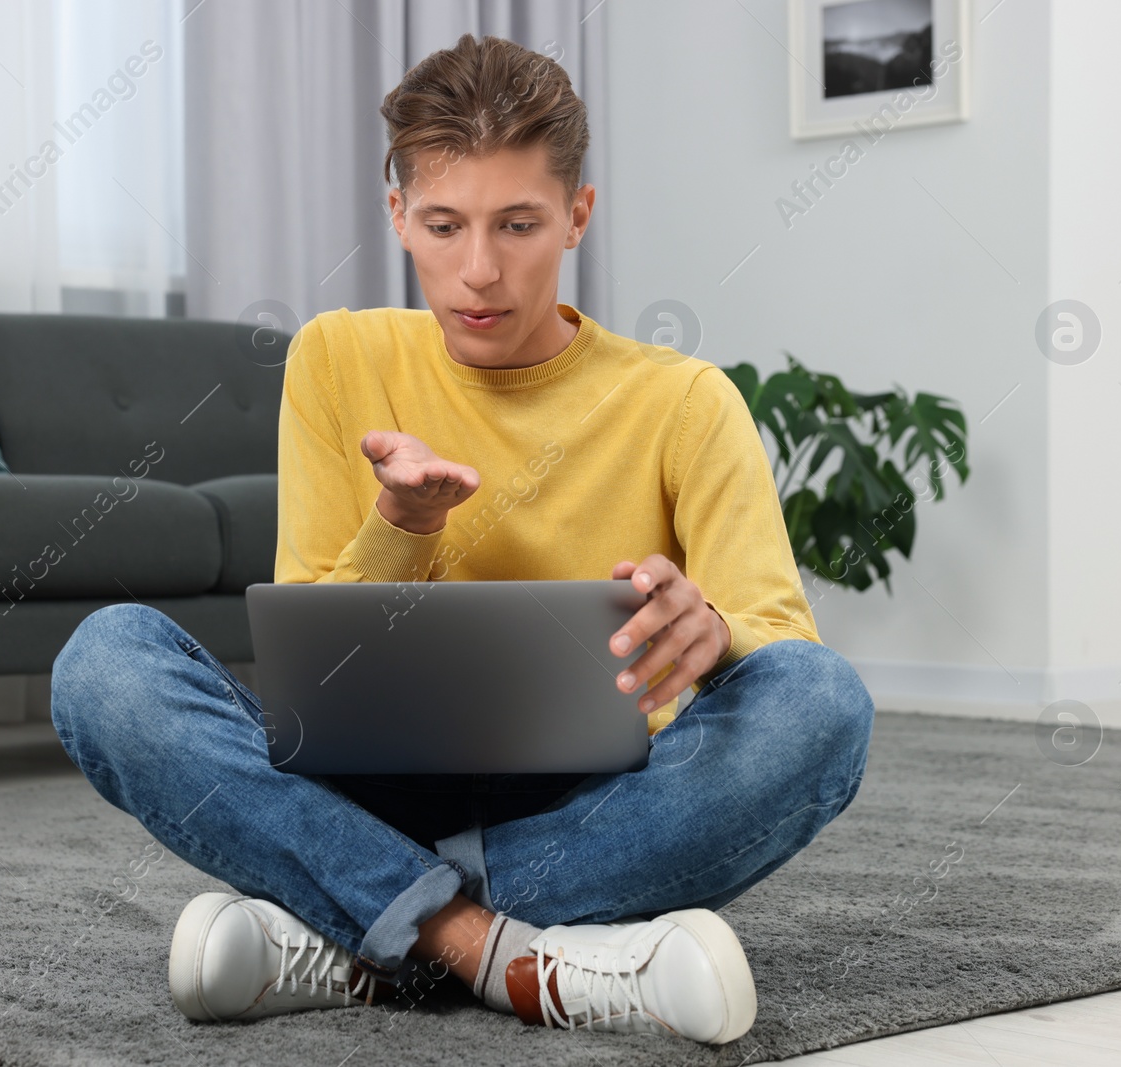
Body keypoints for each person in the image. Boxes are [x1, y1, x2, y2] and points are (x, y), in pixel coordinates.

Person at [50, 32, 874, 1047]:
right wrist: (401, 524)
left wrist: (708, 627)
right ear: (398, 215)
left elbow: (782, 638)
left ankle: (354, 931)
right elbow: (311, 640)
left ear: (577, 214)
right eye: (444, 225)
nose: (478, 270)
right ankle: (506, 952)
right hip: (364, 776)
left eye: (518, 223)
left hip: (593, 789)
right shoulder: (337, 354)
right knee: (106, 663)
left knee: (823, 709)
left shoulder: (684, 401)